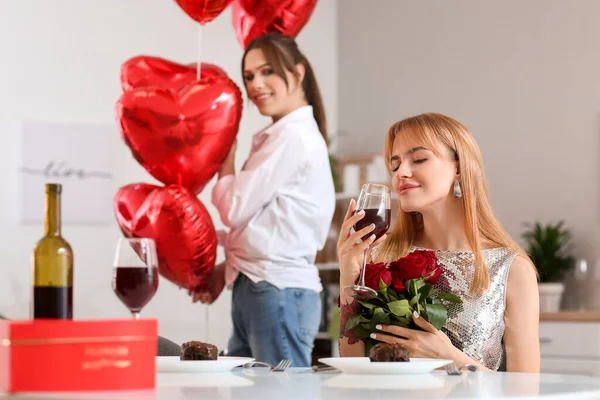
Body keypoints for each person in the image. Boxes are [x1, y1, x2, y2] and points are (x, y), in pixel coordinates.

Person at [337, 113, 540, 372]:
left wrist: (449, 357)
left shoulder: (511, 268)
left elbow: (526, 389)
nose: (402, 173)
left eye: (419, 159)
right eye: (395, 165)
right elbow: (354, 364)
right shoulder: (379, 257)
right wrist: (348, 274)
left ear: (459, 168)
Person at [193, 33, 335, 368]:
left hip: (276, 290)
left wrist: (225, 159)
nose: (256, 84)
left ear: (298, 73)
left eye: (267, 71)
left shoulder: (292, 136)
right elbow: (265, 227)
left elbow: (233, 208)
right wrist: (226, 267)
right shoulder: (284, 135)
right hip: (261, 288)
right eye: (249, 76)